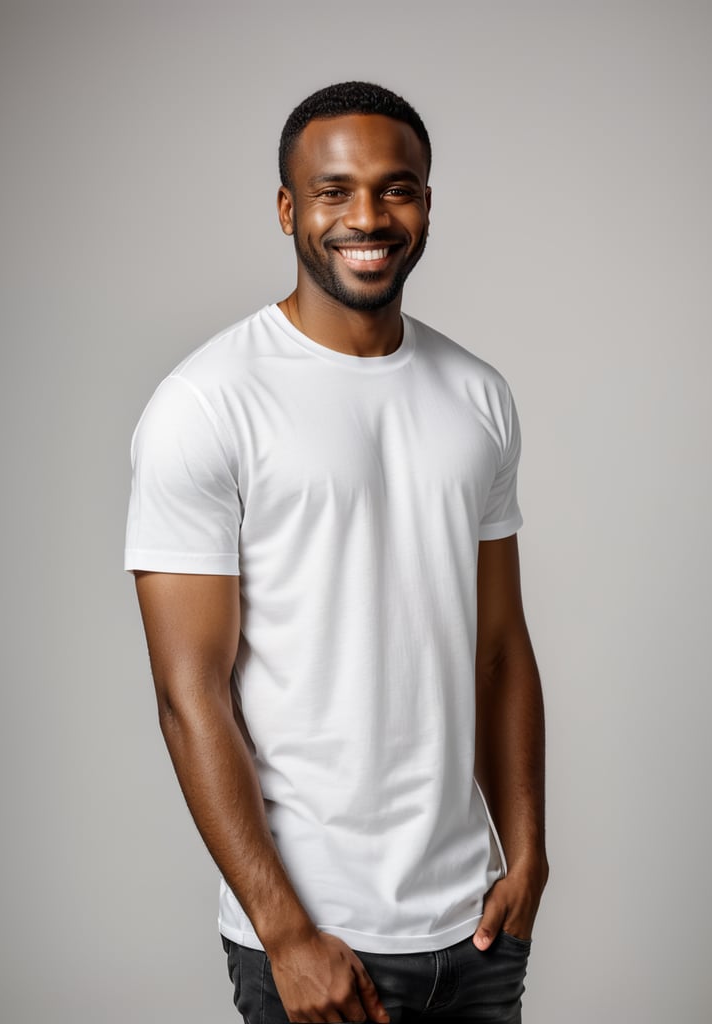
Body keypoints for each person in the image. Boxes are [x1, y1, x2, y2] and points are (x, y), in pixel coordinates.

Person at [125, 81, 548, 1024]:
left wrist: (527, 855)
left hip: (475, 927)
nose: (367, 216)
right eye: (333, 190)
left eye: (396, 189)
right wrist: (283, 933)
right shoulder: (206, 404)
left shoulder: (477, 394)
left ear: (427, 204)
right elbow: (188, 693)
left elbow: (500, 648)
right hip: (319, 938)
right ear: (288, 209)